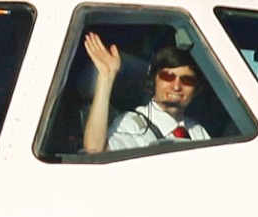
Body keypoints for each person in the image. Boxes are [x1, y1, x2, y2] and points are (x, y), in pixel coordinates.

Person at [82, 32, 210, 153]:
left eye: (186, 80)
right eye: (167, 77)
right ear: (153, 81)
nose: (176, 86)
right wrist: (107, 77)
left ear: (196, 88)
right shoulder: (132, 124)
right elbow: (94, 150)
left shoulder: (197, 131)